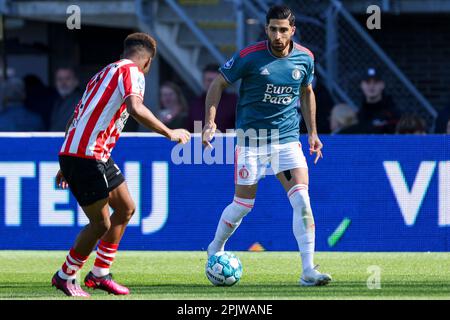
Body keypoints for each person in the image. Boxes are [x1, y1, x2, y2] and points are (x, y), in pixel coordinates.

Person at [52, 33, 191, 297]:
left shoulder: (103, 72)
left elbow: (77, 115)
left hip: (89, 154)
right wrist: (169, 132)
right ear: (147, 61)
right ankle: (65, 275)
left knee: (126, 208)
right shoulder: (133, 72)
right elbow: (135, 108)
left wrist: (67, 156)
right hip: (87, 156)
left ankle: (100, 274)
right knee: (101, 224)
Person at [202, 5, 332, 286]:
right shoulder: (249, 57)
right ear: (266, 29)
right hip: (251, 142)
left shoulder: (305, 58)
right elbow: (217, 85)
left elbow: (307, 92)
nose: (278, 35)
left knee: (302, 201)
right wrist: (210, 122)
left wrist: (313, 133)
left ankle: (308, 270)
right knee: (243, 205)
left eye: (283, 30)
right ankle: (215, 248)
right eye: (273, 29)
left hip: (287, 140)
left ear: (292, 31)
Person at [187, 64, 237, 133]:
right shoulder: (195, 104)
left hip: (229, 142)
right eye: (209, 80)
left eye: (215, 81)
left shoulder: (233, 101)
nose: (212, 84)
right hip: (199, 142)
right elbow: (189, 129)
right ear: (203, 81)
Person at [358, 68, 400, 134]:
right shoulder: (359, 115)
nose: (371, 86)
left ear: (382, 85)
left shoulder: (393, 114)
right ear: (361, 85)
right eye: (367, 82)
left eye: (376, 82)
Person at [49, 67, 83, 132]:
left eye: (67, 79)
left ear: (76, 81)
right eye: (60, 79)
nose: (63, 82)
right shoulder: (54, 101)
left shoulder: (81, 102)